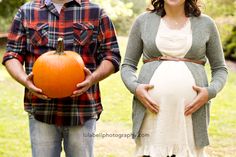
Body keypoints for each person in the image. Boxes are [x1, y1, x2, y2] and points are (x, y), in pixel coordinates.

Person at [2, 0, 121, 156]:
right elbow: (12, 54)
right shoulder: (27, 11)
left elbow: (111, 55)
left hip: (82, 110)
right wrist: (25, 80)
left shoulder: (95, 12)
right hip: (41, 111)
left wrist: (92, 78)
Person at [121, 0, 228, 157]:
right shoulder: (143, 21)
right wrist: (135, 88)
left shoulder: (206, 24)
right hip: (152, 116)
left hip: (190, 118)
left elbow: (220, 69)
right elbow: (127, 66)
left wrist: (210, 92)